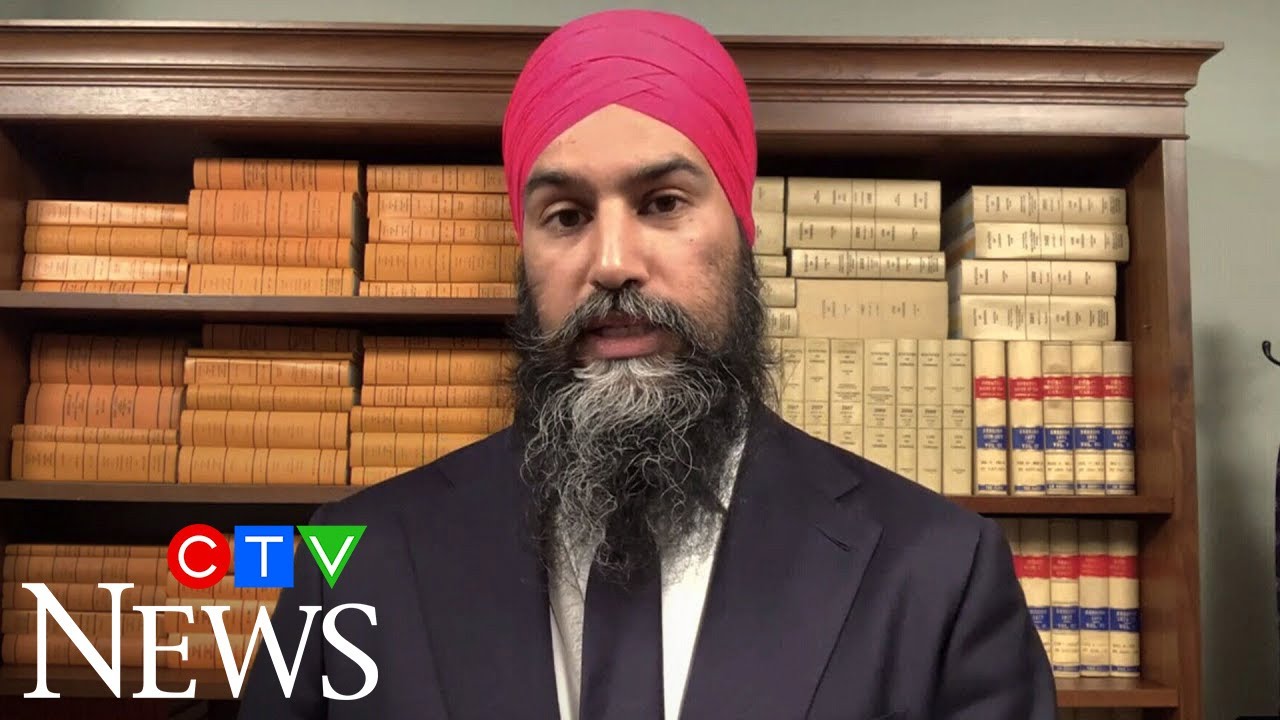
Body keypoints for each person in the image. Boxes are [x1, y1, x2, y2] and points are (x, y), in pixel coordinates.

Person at [237, 8, 1056, 719]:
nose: (612, 263)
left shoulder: (937, 569)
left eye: (663, 203)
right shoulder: (351, 559)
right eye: (566, 216)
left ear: (743, 230)